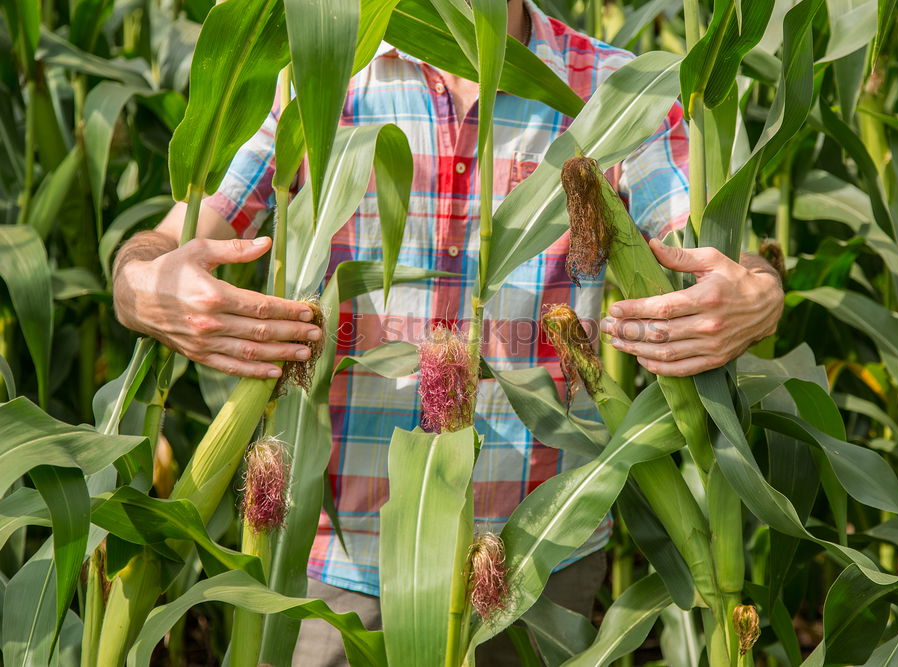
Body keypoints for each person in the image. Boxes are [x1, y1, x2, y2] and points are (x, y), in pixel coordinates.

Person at [111, 1, 784, 664]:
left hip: (534, 566)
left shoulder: (617, 90)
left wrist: (757, 292)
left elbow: (711, 264)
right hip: (332, 569)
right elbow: (170, 243)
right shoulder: (318, 71)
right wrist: (140, 286)